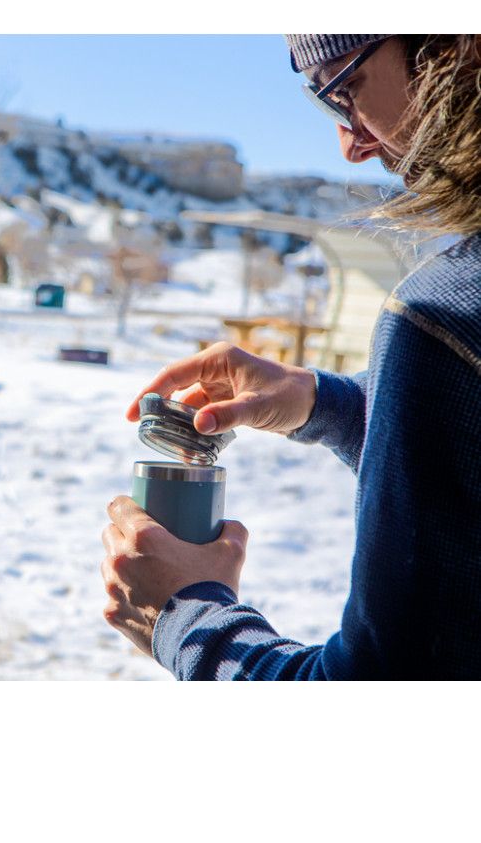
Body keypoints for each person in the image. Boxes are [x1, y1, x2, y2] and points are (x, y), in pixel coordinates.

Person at [100, 34, 481, 680]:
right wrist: (330, 404)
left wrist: (185, 617)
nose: (351, 145)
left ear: (455, 44)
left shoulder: (443, 313)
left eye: (344, 89)